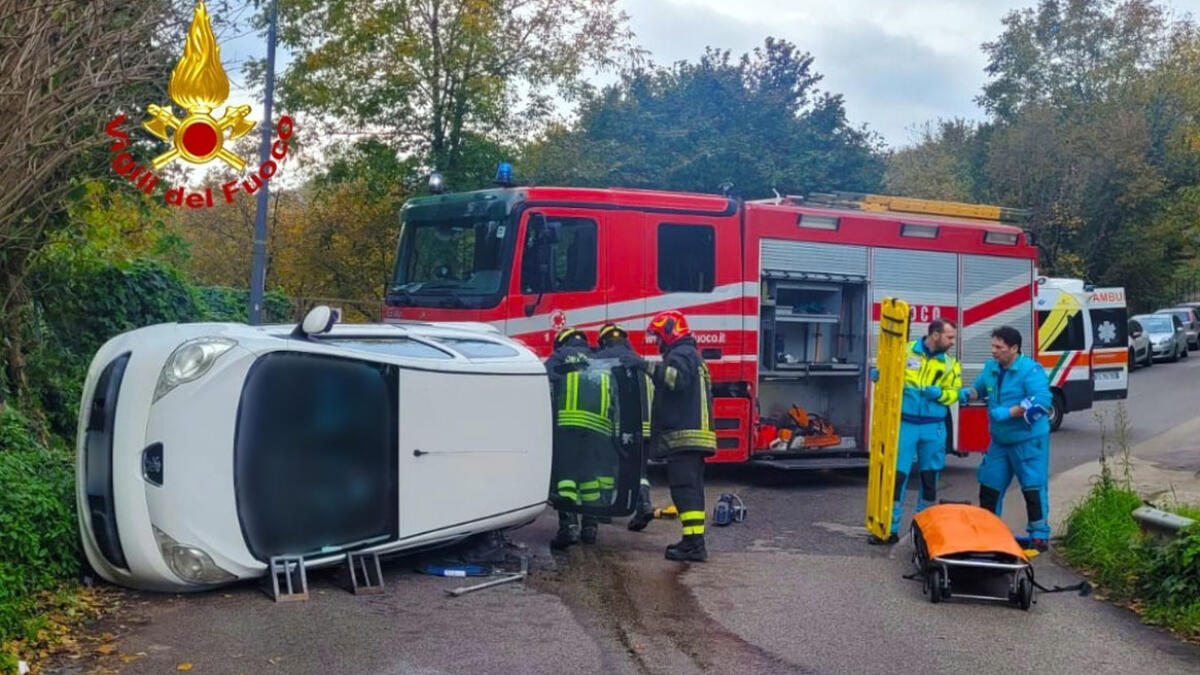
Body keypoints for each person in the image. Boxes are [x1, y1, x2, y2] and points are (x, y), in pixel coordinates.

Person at [621, 310, 715, 562]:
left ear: (668, 332)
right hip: (693, 438)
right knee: (691, 490)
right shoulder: (692, 355)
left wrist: (644, 365)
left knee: (685, 490)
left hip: (685, 437)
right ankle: (693, 541)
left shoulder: (682, 354)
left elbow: (674, 380)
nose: (657, 343)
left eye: (657, 337)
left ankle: (694, 545)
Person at [870, 319, 963, 545]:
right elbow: (889, 373)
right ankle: (887, 529)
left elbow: (955, 393)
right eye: (949, 337)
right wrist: (880, 375)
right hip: (905, 424)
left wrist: (940, 394)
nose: (953, 342)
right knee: (896, 477)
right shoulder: (904, 351)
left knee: (929, 478)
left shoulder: (951, 365)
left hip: (933, 426)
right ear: (934, 334)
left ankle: (924, 531)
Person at [961, 325, 1053, 551]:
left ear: (1014, 348)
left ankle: (1039, 535)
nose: (993, 351)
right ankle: (988, 533)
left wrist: (1010, 412)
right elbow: (979, 390)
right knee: (990, 486)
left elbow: (1042, 401)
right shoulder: (991, 368)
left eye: (998, 347)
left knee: (1032, 487)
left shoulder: (1031, 371)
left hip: (1028, 441)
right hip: (1000, 441)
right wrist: (966, 393)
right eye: (992, 346)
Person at [545, 327, 613, 549]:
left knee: (566, 478)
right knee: (590, 478)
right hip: (599, 428)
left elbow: (546, 382)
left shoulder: (560, 356)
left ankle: (569, 527)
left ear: (562, 342)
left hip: (568, 424)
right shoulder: (598, 358)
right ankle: (590, 527)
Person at [594, 322, 656, 531]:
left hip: (621, 427)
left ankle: (605, 510)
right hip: (646, 428)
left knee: (610, 468)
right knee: (640, 470)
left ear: (603, 342)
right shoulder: (638, 360)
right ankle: (644, 504)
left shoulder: (604, 361)